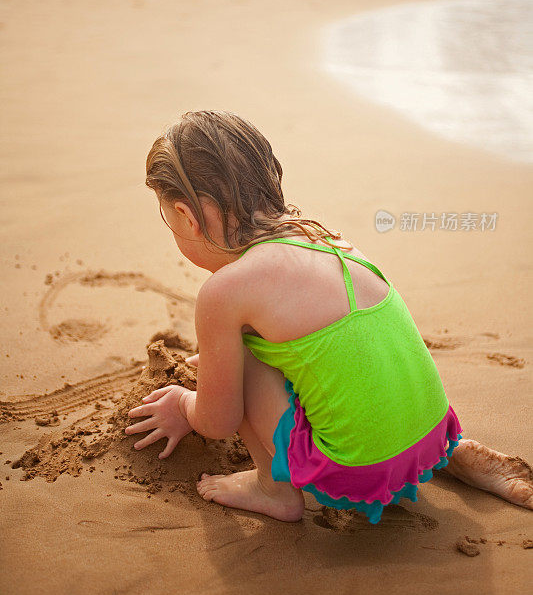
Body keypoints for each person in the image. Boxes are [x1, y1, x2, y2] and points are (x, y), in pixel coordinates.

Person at [125, 110, 533, 523]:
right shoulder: (324, 238)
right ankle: (452, 453)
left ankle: (272, 489)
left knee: (247, 360)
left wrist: (183, 403)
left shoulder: (223, 292)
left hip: (357, 470)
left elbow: (217, 419)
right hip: (431, 435)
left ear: (187, 217)